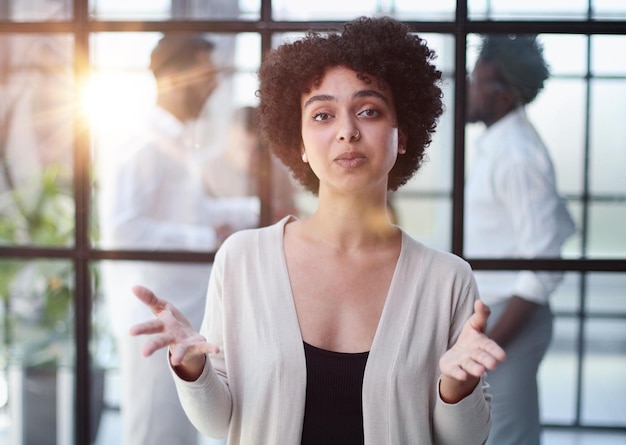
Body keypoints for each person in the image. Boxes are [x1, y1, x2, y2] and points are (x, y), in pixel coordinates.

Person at [129, 17, 506, 444]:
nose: (347, 131)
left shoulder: (446, 280)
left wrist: (458, 386)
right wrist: (193, 371)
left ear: (402, 136)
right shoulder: (242, 260)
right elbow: (221, 423)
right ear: (302, 144)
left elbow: (466, 439)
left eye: (369, 110)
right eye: (323, 115)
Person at [99, 34, 258, 445]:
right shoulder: (139, 139)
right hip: (154, 319)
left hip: (183, 315)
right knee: (157, 432)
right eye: (205, 74)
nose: (214, 85)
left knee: (184, 431)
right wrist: (208, 237)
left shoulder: (175, 137)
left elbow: (192, 210)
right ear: (172, 76)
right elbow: (124, 228)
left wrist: (259, 212)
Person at [465, 34, 577, 445]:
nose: (468, 89)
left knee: (509, 436)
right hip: (495, 317)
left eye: (477, 80)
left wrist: (492, 342)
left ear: (503, 96)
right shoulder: (499, 146)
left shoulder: (516, 155)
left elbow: (542, 264)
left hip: (511, 319)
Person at [203, 105, 299, 223]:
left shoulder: (278, 175)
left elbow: (292, 216)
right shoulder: (207, 171)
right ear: (229, 136)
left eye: (257, 150)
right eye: (243, 146)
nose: (248, 157)